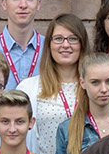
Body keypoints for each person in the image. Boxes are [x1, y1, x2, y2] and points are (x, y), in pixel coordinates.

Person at [18, 13, 88, 143]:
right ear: (49, 45)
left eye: (73, 38)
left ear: (82, 44)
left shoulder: (94, 86)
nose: (66, 45)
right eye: (58, 38)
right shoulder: (28, 88)